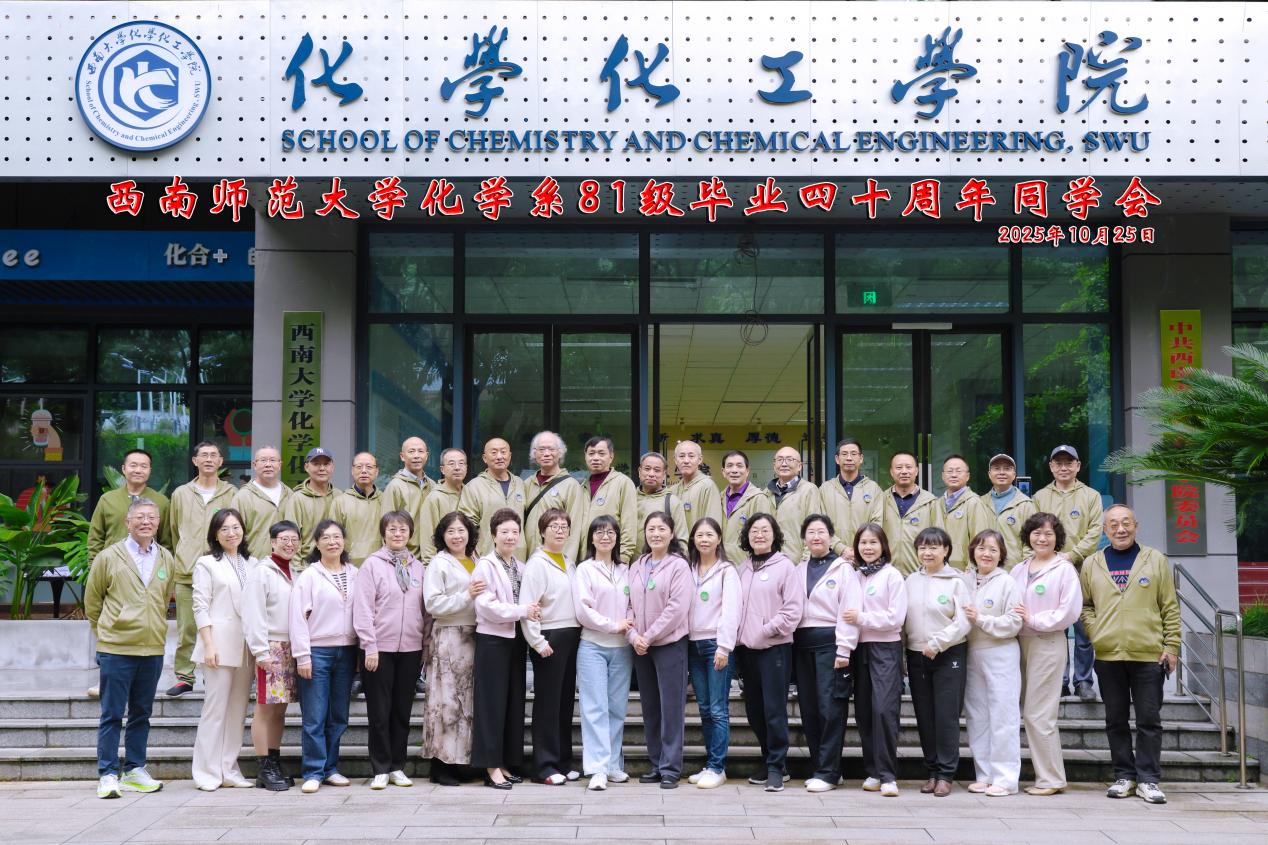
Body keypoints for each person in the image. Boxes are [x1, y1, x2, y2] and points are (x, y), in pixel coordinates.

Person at [1079, 505, 1181, 805]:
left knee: (1149, 719)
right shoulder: (1092, 563)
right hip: (1109, 654)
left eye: (1126, 523)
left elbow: (1170, 606)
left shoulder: (1155, 559)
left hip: (1149, 654)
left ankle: (1148, 780)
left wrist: (1171, 646)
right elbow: (1085, 605)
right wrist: (1096, 631)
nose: (1120, 529)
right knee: (1116, 719)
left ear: (1136, 526)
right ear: (1105, 530)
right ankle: (1124, 776)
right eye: (1113, 525)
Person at [85, 499, 172, 799]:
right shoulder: (109, 557)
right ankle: (108, 773)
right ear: (127, 522)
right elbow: (93, 601)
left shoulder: (166, 557)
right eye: (140, 517)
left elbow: (163, 598)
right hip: (117, 648)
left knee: (141, 713)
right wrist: (107, 632)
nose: (146, 522)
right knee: (111, 713)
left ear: (158, 522)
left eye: (152, 517)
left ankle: (135, 769)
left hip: (152, 648)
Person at [353, 510, 427, 789]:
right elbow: (363, 608)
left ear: (410, 534)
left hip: (410, 649)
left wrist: (424, 647)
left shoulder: (418, 567)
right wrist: (369, 646)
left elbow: (425, 611)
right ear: (383, 533)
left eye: (403, 529)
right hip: (378, 649)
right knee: (379, 712)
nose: (398, 534)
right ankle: (381, 768)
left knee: (402, 711)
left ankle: (397, 766)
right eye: (392, 529)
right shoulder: (372, 565)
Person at [1012, 511, 1082, 796]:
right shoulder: (1019, 569)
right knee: (1028, 711)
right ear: (1028, 536)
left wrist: (1033, 619)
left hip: (1047, 642)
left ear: (1058, 538)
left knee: (1038, 713)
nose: (1042, 538)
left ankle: (1051, 779)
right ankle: (1047, 776)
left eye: (1048, 534)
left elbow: (1070, 611)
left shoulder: (1064, 569)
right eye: (1037, 533)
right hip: (1019, 643)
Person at [735, 512, 805, 793]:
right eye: (754, 530)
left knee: (774, 709)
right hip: (746, 650)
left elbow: (793, 610)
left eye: (765, 530)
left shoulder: (785, 567)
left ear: (775, 535)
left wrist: (766, 629)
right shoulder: (742, 568)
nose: (759, 535)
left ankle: (777, 765)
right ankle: (770, 759)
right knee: (754, 710)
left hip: (774, 648)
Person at [290, 519, 359, 793]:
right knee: (315, 715)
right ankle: (313, 771)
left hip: (347, 651)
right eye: (326, 537)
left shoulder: (355, 573)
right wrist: (302, 656)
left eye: (337, 536)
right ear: (317, 544)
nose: (332, 542)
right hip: (317, 651)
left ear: (344, 541)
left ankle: (331, 768)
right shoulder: (309, 576)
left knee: (339, 715)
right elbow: (297, 617)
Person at [471, 508, 538, 789]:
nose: (510, 536)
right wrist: (522, 610)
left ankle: (506, 762)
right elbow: (486, 606)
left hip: (515, 640)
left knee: (513, 702)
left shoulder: (520, 566)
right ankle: (490, 766)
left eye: (514, 532)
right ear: (493, 535)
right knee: (491, 705)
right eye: (504, 532)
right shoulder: (485, 566)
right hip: (492, 640)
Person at [190, 508, 256, 791]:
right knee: (215, 710)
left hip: (246, 646)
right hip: (218, 644)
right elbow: (200, 606)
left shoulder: (252, 563)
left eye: (236, 527)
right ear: (215, 534)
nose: (232, 533)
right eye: (225, 529)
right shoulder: (206, 564)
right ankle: (206, 772)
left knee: (237, 711)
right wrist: (208, 644)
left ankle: (229, 769)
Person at [796, 514, 862, 793]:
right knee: (809, 709)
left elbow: (849, 609)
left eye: (821, 532)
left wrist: (844, 648)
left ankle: (829, 772)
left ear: (831, 537)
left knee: (830, 708)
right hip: (802, 645)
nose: (816, 537)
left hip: (831, 645)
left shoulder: (843, 569)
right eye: (810, 532)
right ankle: (821, 767)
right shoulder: (798, 569)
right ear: (804, 539)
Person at [904, 526, 971, 798]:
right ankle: (932, 771)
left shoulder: (957, 581)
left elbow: (964, 622)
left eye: (933, 547)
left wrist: (937, 643)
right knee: (924, 716)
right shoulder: (910, 581)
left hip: (948, 654)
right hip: (916, 654)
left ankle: (946, 774)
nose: (927, 552)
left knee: (945, 716)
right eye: (922, 547)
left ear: (946, 551)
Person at [1033, 445, 1104, 701]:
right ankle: (1059, 681)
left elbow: (1095, 531)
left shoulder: (1091, 496)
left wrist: (1072, 555)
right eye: (1058, 463)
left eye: (1069, 463)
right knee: (1056, 629)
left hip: (1082, 570)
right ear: (1051, 467)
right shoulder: (1040, 497)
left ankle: (1083, 680)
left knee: (1083, 628)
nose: (1064, 467)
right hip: (1049, 570)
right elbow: (1034, 531)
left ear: (1078, 466)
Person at [166, 441, 237, 697]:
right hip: (187, 572)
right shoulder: (181, 494)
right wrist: (185, 554)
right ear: (195, 461)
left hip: (221, 571)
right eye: (203, 455)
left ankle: (213, 673)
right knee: (187, 627)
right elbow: (174, 531)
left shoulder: (231, 493)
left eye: (213, 455)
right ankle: (185, 676)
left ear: (220, 461)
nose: (208, 459)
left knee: (218, 626)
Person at [627, 511, 692, 789]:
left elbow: (677, 608)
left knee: (671, 707)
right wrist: (633, 636)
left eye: (661, 529)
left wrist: (649, 636)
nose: (656, 533)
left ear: (671, 533)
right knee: (650, 707)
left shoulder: (679, 566)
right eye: (651, 529)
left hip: (669, 645)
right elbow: (628, 604)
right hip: (641, 647)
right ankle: (656, 762)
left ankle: (670, 768)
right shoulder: (637, 565)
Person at [420, 511, 485, 786]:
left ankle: (463, 761)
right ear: (442, 536)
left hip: (475, 636)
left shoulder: (477, 559)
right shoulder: (439, 563)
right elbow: (433, 604)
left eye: (461, 530)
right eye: (451, 532)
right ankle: (441, 764)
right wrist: (466, 595)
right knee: (445, 702)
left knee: (467, 703)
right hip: (449, 636)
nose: (457, 536)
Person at [573, 515, 635, 792]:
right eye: (599, 532)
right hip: (593, 647)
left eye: (610, 532)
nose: (605, 536)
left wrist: (627, 625)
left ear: (617, 537)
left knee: (616, 708)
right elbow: (583, 610)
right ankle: (596, 769)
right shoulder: (584, 569)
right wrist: (613, 625)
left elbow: (633, 604)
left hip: (622, 649)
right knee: (594, 708)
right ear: (591, 538)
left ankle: (612, 765)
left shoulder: (626, 570)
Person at [520, 508, 581, 785]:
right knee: (547, 704)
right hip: (549, 637)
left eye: (564, 526)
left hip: (571, 635)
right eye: (553, 526)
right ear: (542, 531)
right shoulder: (537, 564)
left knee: (565, 703)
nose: (559, 530)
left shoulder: (569, 561)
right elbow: (529, 605)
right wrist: (536, 641)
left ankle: (562, 762)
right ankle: (544, 767)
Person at [845, 523, 907, 797]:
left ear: (883, 546)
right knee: (864, 711)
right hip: (860, 648)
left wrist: (862, 618)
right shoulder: (856, 576)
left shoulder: (892, 575)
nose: (868, 548)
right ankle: (873, 770)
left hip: (885, 648)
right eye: (863, 543)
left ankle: (888, 775)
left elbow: (896, 618)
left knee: (884, 709)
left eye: (873, 542)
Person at [963, 529, 1024, 797]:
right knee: (977, 716)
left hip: (1001, 653)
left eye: (993, 549)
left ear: (1001, 555)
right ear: (972, 551)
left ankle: (1006, 779)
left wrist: (982, 620)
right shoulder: (965, 580)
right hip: (971, 653)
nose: (986, 554)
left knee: (1003, 716)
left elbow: (1014, 622)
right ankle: (984, 774)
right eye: (981, 548)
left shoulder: (1007, 582)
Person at [243, 520, 302, 791]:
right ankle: (264, 766)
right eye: (284, 539)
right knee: (265, 709)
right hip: (270, 646)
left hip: (291, 646)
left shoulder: (295, 572)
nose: (289, 544)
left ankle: (275, 761)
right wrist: (260, 651)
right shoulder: (262, 572)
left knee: (280, 709)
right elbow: (253, 614)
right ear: (273, 542)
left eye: (294, 540)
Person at [685, 516, 740, 790]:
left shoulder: (727, 571)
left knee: (718, 709)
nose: (704, 539)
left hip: (715, 646)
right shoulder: (688, 569)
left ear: (719, 539)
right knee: (705, 709)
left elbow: (731, 611)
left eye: (709, 535)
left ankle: (718, 767)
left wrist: (724, 647)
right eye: (700, 535)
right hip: (693, 645)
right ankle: (710, 764)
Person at [87, 448, 171, 563]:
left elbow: (167, 541)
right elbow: (95, 538)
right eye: (133, 465)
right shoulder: (107, 500)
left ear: (150, 470)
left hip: (148, 566)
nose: (138, 470)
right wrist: (94, 565)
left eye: (143, 466)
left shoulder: (161, 501)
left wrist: (163, 567)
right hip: (113, 565)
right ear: (124, 469)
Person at [574, 436, 639, 563]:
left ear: (611, 456)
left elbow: (629, 525)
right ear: (585, 457)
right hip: (584, 562)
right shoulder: (581, 487)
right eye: (591, 453)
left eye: (601, 453)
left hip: (612, 561)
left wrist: (622, 559)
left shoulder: (623, 483)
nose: (595, 458)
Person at [818, 439, 884, 563]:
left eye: (853, 454)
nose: (849, 458)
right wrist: (841, 549)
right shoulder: (825, 489)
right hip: (833, 558)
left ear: (861, 458)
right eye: (844, 454)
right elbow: (821, 524)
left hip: (865, 558)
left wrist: (861, 548)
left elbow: (877, 523)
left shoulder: (874, 489)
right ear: (837, 459)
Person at [459, 438, 526, 558]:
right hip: (487, 557)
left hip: (518, 557)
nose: (499, 456)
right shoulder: (474, 486)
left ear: (510, 456)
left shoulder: (520, 484)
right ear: (485, 458)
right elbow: (466, 525)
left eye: (503, 452)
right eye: (494, 452)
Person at [523, 432, 586, 557]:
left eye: (551, 449)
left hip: (556, 559)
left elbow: (574, 530)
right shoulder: (527, 484)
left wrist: (565, 562)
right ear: (534, 454)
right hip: (528, 559)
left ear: (560, 452)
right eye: (541, 449)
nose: (546, 454)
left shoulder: (571, 485)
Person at [880, 451, 943, 576]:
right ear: (891, 472)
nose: (904, 471)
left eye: (908, 467)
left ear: (916, 471)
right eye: (899, 467)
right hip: (886, 574)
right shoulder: (881, 500)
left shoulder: (931, 502)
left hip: (921, 574)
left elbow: (939, 539)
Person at [234, 445, 294, 561]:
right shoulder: (243, 496)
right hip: (254, 563)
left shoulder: (289, 494)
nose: (268, 464)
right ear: (254, 465)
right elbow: (235, 535)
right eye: (263, 460)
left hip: (286, 564)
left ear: (280, 464)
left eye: (272, 460)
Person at [979, 454, 1037, 570]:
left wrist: (1026, 571)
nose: (1002, 472)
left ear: (1014, 474)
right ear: (989, 474)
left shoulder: (1026, 504)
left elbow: (1031, 544)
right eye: (997, 469)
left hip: (1013, 571)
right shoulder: (979, 503)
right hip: (984, 570)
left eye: (1007, 469)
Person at [767, 446, 823, 563]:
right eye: (780, 460)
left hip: (796, 562)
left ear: (799, 466)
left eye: (789, 459)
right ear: (774, 465)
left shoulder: (809, 490)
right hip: (769, 562)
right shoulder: (766, 493)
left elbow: (814, 528)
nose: (784, 464)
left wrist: (805, 563)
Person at [382, 436, 435, 557]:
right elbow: (386, 525)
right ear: (402, 456)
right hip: (403, 555)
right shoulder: (395, 486)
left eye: (420, 451)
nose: (416, 456)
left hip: (429, 554)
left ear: (426, 456)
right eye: (411, 451)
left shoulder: (432, 485)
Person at [283, 447, 338, 562]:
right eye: (316, 464)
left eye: (326, 464)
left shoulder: (340, 496)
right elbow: (291, 538)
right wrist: (297, 568)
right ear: (306, 467)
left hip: (336, 563)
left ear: (333, 467)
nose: (322, 468)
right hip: (307, 565)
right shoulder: (297, 499)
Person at [940, 455, 993, 572]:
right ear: (943, 476)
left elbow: (980, 541)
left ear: (967, 476)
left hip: (964, 572)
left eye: (958, 471)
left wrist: (972, 571)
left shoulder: (974, 503)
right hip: (938, 570)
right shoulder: (936, 504)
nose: (954, 475)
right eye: (949, 471)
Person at [720, 450, 774, 564]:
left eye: (739, 466)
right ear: (723, 472)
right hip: (721, 565)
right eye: (730, 466)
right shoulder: (719, 498)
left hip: (747, 566)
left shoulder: (758, 498)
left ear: (747, 471)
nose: (734, 470)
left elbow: (764, 538)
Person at [417, 448, 468, 563]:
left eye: (461, 463)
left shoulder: (470, 493)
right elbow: (428, 538)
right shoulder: (434, 498)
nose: (457, 467)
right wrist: (430, 566)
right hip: (444, 564)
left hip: (469, 562)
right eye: (451, 463)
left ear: (466, 468)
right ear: (442, 469)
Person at [331, 452, 382, 565]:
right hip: (350, 565)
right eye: (359, 467)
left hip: (381, 564)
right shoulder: (340, 502)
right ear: (352, 471)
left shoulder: (385, 500)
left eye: (369, 467)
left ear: (377, 471)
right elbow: (333, 537)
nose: (364, 471)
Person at [636, 451, 689, 544]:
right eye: (647, 469)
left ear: (664, 475)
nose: (651, 474)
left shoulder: (672, 502)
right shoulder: (629, 497)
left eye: (657, 470)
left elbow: (681, 540)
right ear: (639, 471)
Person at [672, 439, 723, 526]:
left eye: (691, 456)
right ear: (675, 460)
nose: (686, 461)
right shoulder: (673, 490)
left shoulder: (707, 486)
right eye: (682, 456)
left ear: (700, 459)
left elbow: (713, 525)